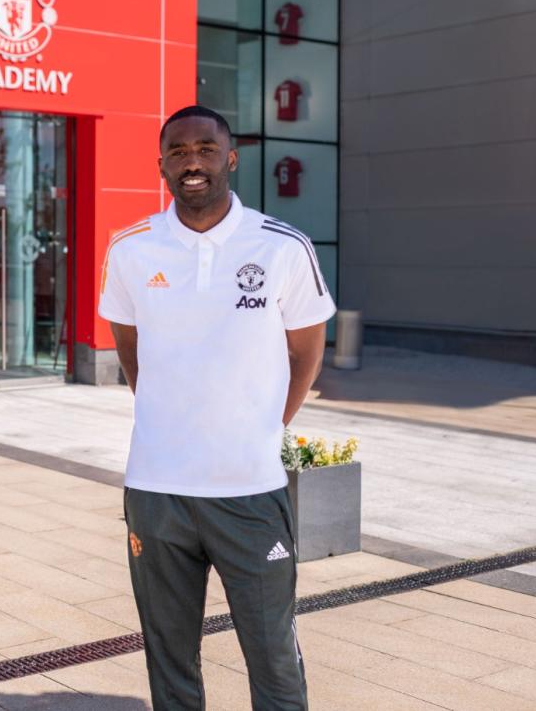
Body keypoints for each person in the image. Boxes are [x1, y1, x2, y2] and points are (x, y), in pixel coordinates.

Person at [98, 105, 334, 710]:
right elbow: (133, 355)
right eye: (177, 152)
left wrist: (262, 427)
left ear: (230, 158)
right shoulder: (130, 249)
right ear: (161, 166)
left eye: (206, 149)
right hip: (157, 491)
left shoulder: (282, 246)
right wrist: (173, 418)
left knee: (273, 654)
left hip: (249, 489)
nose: (192, 162)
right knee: (169, 659)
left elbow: (305, 352)